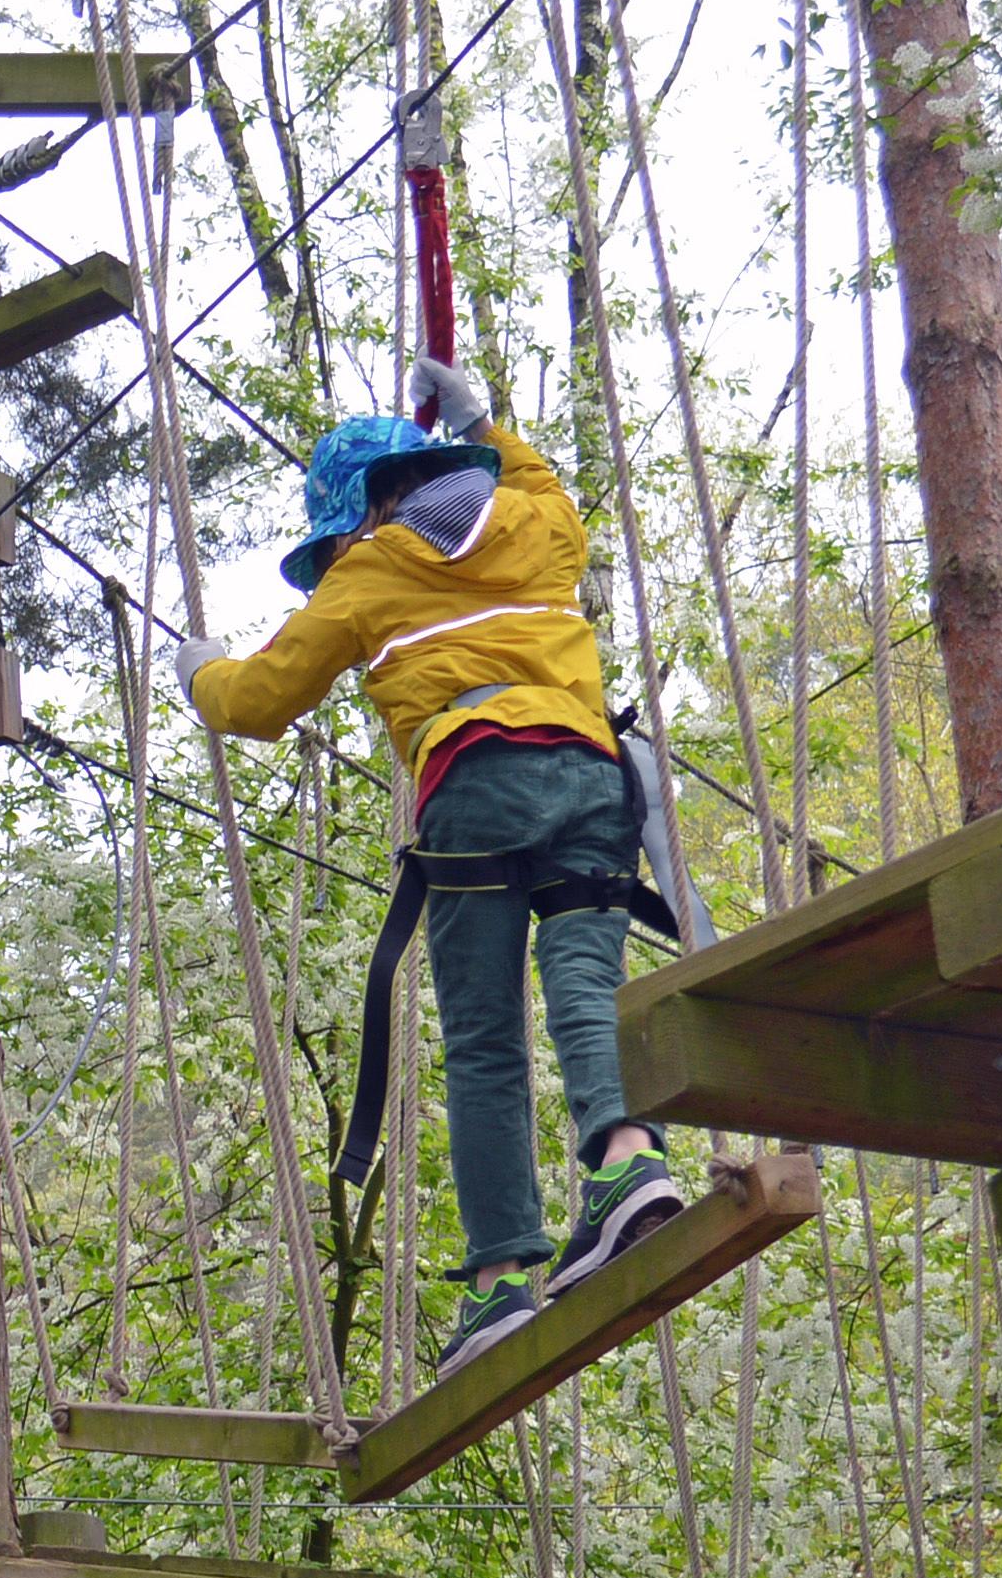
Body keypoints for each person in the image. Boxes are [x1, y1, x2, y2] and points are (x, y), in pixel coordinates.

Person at [174, 358, 685, 1380]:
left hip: (476, 786)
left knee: (486, 1036)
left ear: (363, 510)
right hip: (592, 780)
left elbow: (262, 700)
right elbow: (542, 488)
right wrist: (487, 423)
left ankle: (501, 1276)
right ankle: (629, 1166)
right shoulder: (539, 528)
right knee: (585, 982)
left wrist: (201, 673)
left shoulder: (367, 574)